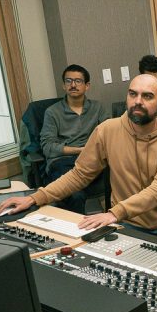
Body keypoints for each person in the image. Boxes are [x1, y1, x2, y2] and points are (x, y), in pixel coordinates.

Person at [0, 74, 157, 250]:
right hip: (129, 223)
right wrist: (35, 198)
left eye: (147, 96)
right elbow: (79, 174)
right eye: (132, 94)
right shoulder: (107, 130)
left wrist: (114, 213)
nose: (138, 102)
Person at [40, 64, 109, 214]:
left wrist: (92, 152)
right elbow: (48, 147)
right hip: (63, 162)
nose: (73, 85)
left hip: (93, 160)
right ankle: (78, 232)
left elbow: (109, 135)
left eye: (78, 81)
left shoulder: (98, 108)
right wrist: (80, 150)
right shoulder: (52, 112)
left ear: (87, 85)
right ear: (63, 85)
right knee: (75, 195)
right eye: (68, 81)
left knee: (125, 177)